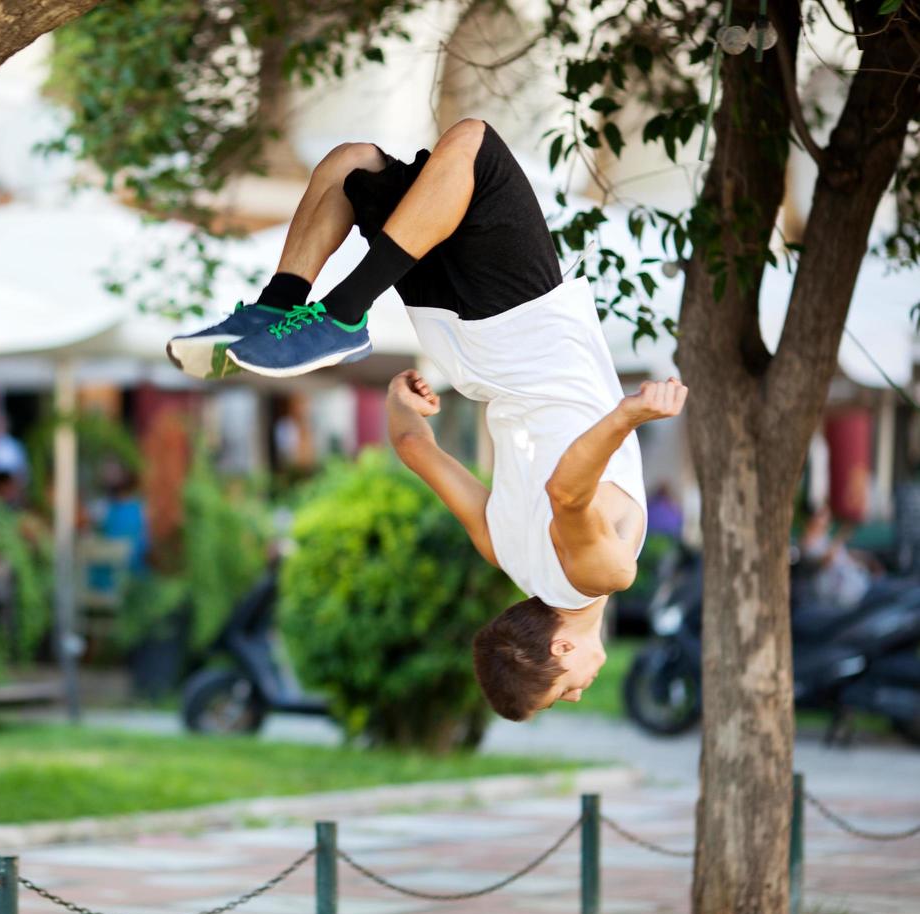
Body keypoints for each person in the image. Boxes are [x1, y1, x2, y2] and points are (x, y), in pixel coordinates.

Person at [171, 119, 687, 719]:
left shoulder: (603, 575)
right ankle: (276, 308)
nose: (578, 689)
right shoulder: (505, 553)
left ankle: (340, 313)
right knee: (353, 164)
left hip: (521, 328)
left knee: (473, 144)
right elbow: (415, 449)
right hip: (460, 354)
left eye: (562, 687)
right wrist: (399, 401)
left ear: (560, 645)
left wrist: (629, 415)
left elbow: (568, 492)